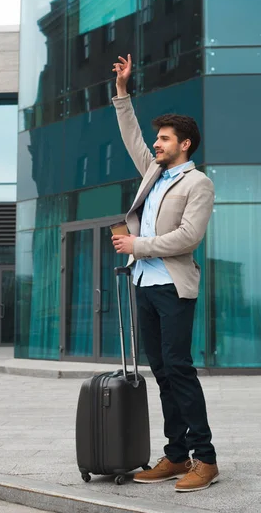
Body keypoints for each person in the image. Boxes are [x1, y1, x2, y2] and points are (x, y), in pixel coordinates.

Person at [111, 54, 218, 493]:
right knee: (160, 369)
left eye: (165, 139)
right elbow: (131, 135)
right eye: (157, 138)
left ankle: (205, 459)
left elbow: (189, 237)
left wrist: (139, 246)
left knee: (179, 367)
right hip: (144, 284)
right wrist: (122, 91)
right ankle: (176, 455)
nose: (156, 144)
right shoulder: (153, 173)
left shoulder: (199, 184)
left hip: (174, 287)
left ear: (185, 144)